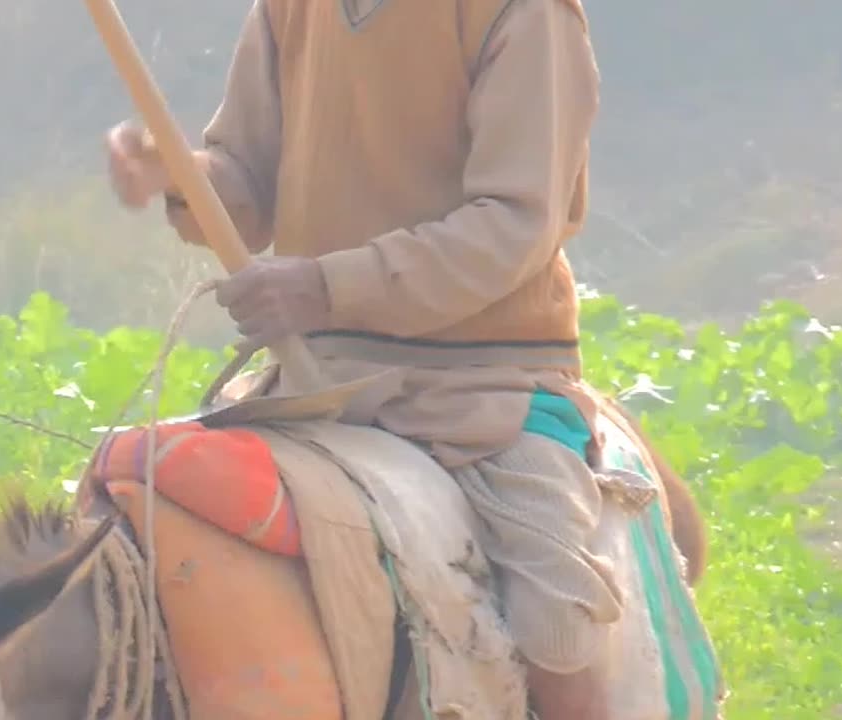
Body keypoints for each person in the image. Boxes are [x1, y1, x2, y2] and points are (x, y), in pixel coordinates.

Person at [105, 1, 614, 717]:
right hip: (313, 382)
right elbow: (246, 185)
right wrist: (179, 172)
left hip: (482, 382)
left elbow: (515, 224)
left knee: (556, 623)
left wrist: (325, 287)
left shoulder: (523, 12)